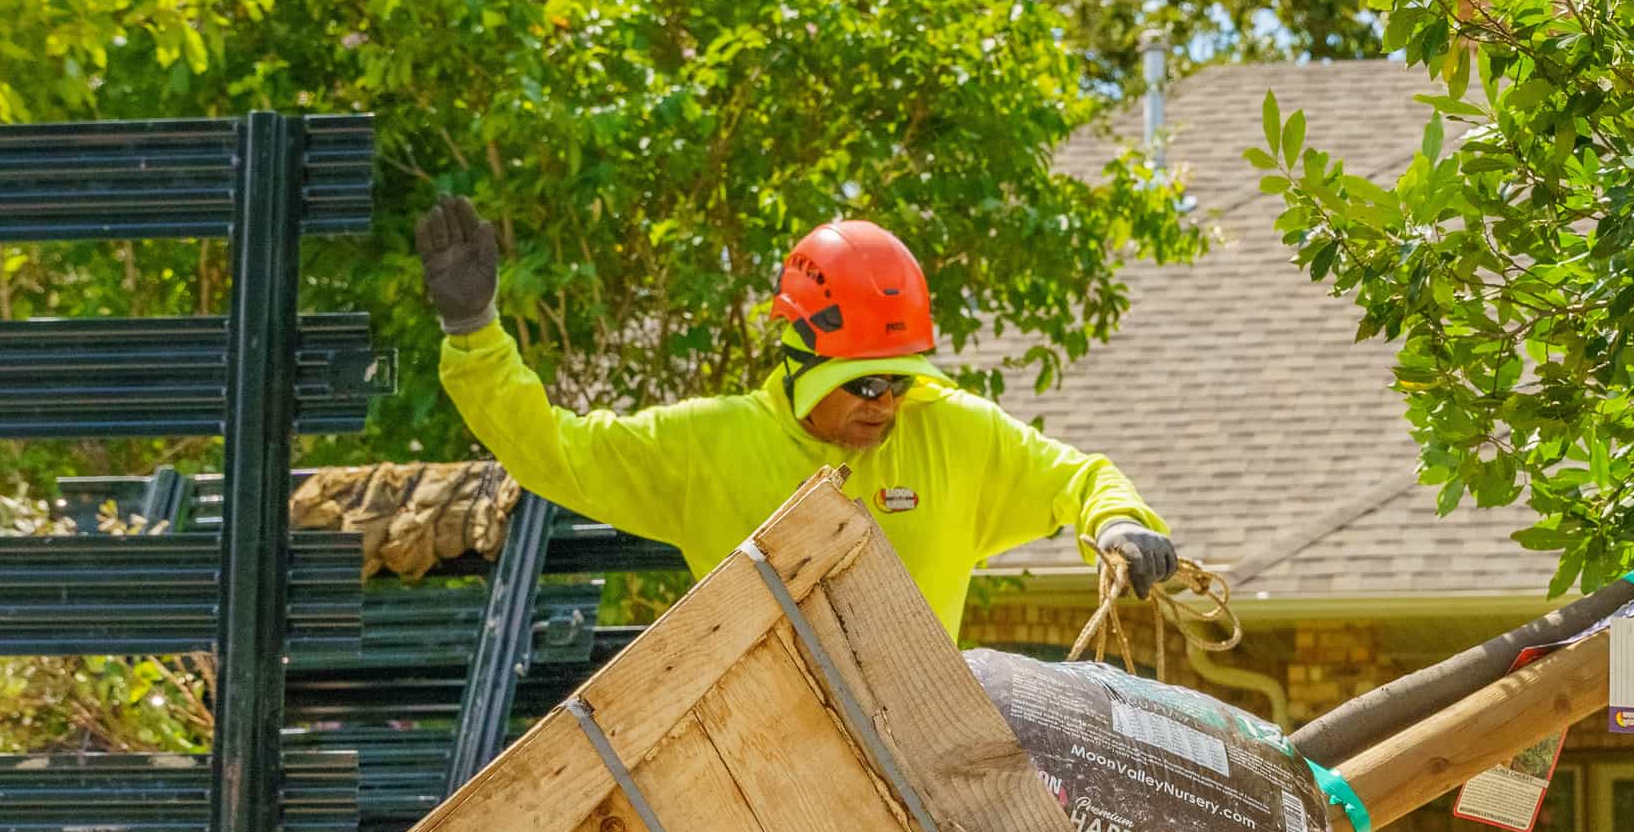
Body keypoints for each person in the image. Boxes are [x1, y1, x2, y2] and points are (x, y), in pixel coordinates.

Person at [411, 199, 1178, 637]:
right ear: (802, 359)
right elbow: (554, 452)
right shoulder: (709, 445)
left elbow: (1078, 478)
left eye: (900, 382)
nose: (886, 404)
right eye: (864, 384)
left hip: (915, 767)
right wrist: (473, 330)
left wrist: (1116, 523)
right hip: (758, 776)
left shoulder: (954, 434)